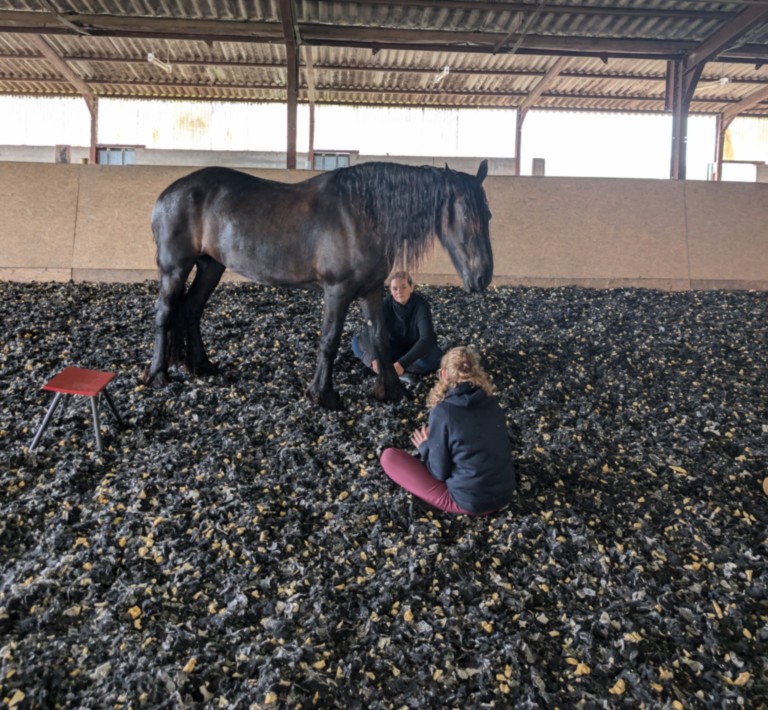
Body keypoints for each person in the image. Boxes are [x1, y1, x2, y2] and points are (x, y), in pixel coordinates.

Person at [379, 346, 516, 515]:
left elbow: (439, 473)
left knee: (389, 457)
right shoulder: (492, 403)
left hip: (471, 502)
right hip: (505, 494)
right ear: (477, 373)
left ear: (443, 374)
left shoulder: (443, 412)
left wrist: (425, 447)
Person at [352, 271, 443, 382]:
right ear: (390, 290)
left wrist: (402, 364)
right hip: (390, 349)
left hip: (413, 352)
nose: (399, 292)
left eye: (403, 287)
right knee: (356, 342)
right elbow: (368, 332)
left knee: (435, 357)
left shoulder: (421, 305)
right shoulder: (385, 304)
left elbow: (426, 339)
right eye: (395, 289)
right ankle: (391, 371)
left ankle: (392, 370)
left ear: (411, 288)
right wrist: (374, 359)